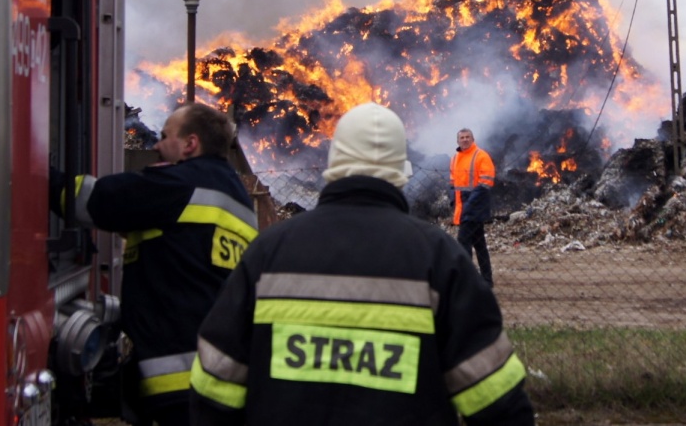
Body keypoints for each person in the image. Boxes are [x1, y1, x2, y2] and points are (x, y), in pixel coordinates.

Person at [190, 103, 534, 425]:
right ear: (402, 176)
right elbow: (499, 402)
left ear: (334, 167)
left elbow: (213, 388)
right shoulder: (440, 259)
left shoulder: (268, 252)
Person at [51, 102, 258, 426]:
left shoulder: (177, 185)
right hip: (220, 377)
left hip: (174, 378)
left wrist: (37, 176)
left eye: (164, 137)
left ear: (190, 144)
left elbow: (98, 201)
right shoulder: (240, 200)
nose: (157, 146)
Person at [450, 127, 496, 287]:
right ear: (457, 141)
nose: (464, 139)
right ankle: (487, 280)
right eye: (461, 137)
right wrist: (453, 202)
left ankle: (468, 281)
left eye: (467, 137)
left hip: (475, 208)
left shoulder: (481, 156)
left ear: (473, 138)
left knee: (463, 242)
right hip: (463, 208)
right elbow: (453, 183)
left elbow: (486, 182)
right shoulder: (455, 158)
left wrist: (469, 204)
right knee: (479, 244)